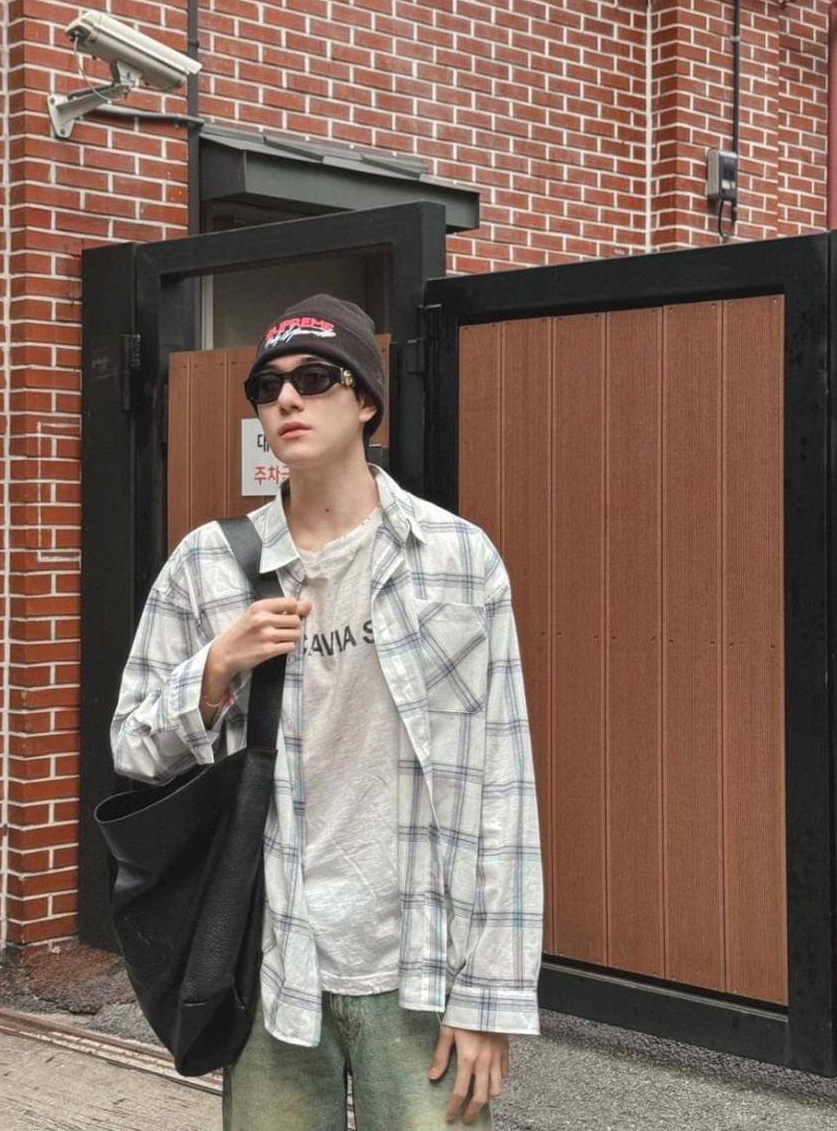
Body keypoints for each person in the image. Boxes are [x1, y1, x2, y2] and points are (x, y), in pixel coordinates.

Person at [110, 294, 544, 1129]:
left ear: (366, 401)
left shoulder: (456, 561)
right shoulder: (208, 567)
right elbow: (133, 747)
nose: (286, 399)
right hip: (272, 957)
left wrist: (492, 995)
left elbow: (503, 784)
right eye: (266, 386)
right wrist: (215, 669)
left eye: (314, 378)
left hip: (418, 964)